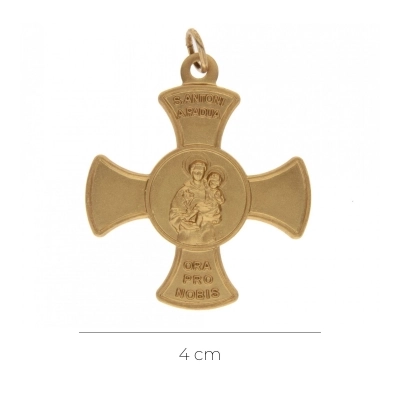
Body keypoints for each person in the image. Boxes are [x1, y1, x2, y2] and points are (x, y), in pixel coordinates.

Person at [169, 158, 224, 245]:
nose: (198, 173)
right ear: (191, 171)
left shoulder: (209, 189)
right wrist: (182, 223)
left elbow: (216, 209)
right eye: (196, 170)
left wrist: (209, 218)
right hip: (186, 232)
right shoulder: (184, 190)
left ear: (204, 172)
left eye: (200, 171)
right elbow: (174, 212)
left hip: (206, 231)